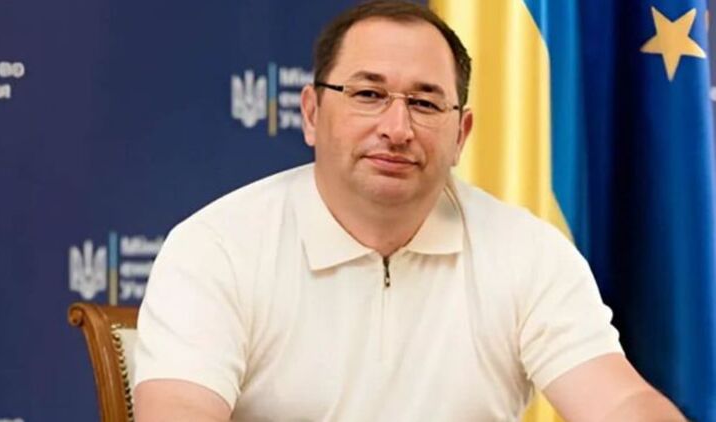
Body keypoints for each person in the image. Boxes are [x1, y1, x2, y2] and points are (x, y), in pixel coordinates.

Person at [133, 1, 685, 420]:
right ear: (312, 113)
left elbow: (618, 400)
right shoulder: (217, 247)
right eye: (368, 95)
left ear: (461, 133)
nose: (397, 129)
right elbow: (180, 408)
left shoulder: (529, 253)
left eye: (424, 103)